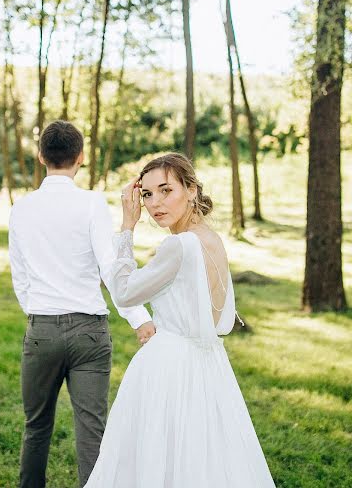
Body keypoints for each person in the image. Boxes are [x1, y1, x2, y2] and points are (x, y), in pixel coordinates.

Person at [84, 152, 276, 488]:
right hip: (209, 364)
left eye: (165, 190)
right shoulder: (211, 239)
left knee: (156, 457)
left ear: (191, 190)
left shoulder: (179, 246)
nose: (155, 203)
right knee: (204, 457)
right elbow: (214, 315)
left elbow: (124, 293)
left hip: (170, 366)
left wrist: (127, 227)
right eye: (146, 194)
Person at [8, 120, 155, 488]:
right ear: (81, 157)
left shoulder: (21, 209)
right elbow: (111, 268)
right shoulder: (92, 204)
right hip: (89, 333)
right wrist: (139, 318)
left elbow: (20, 278)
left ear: (41, 156)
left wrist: (41, 313)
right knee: (93, 430)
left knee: (36, 426)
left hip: (40, 331)